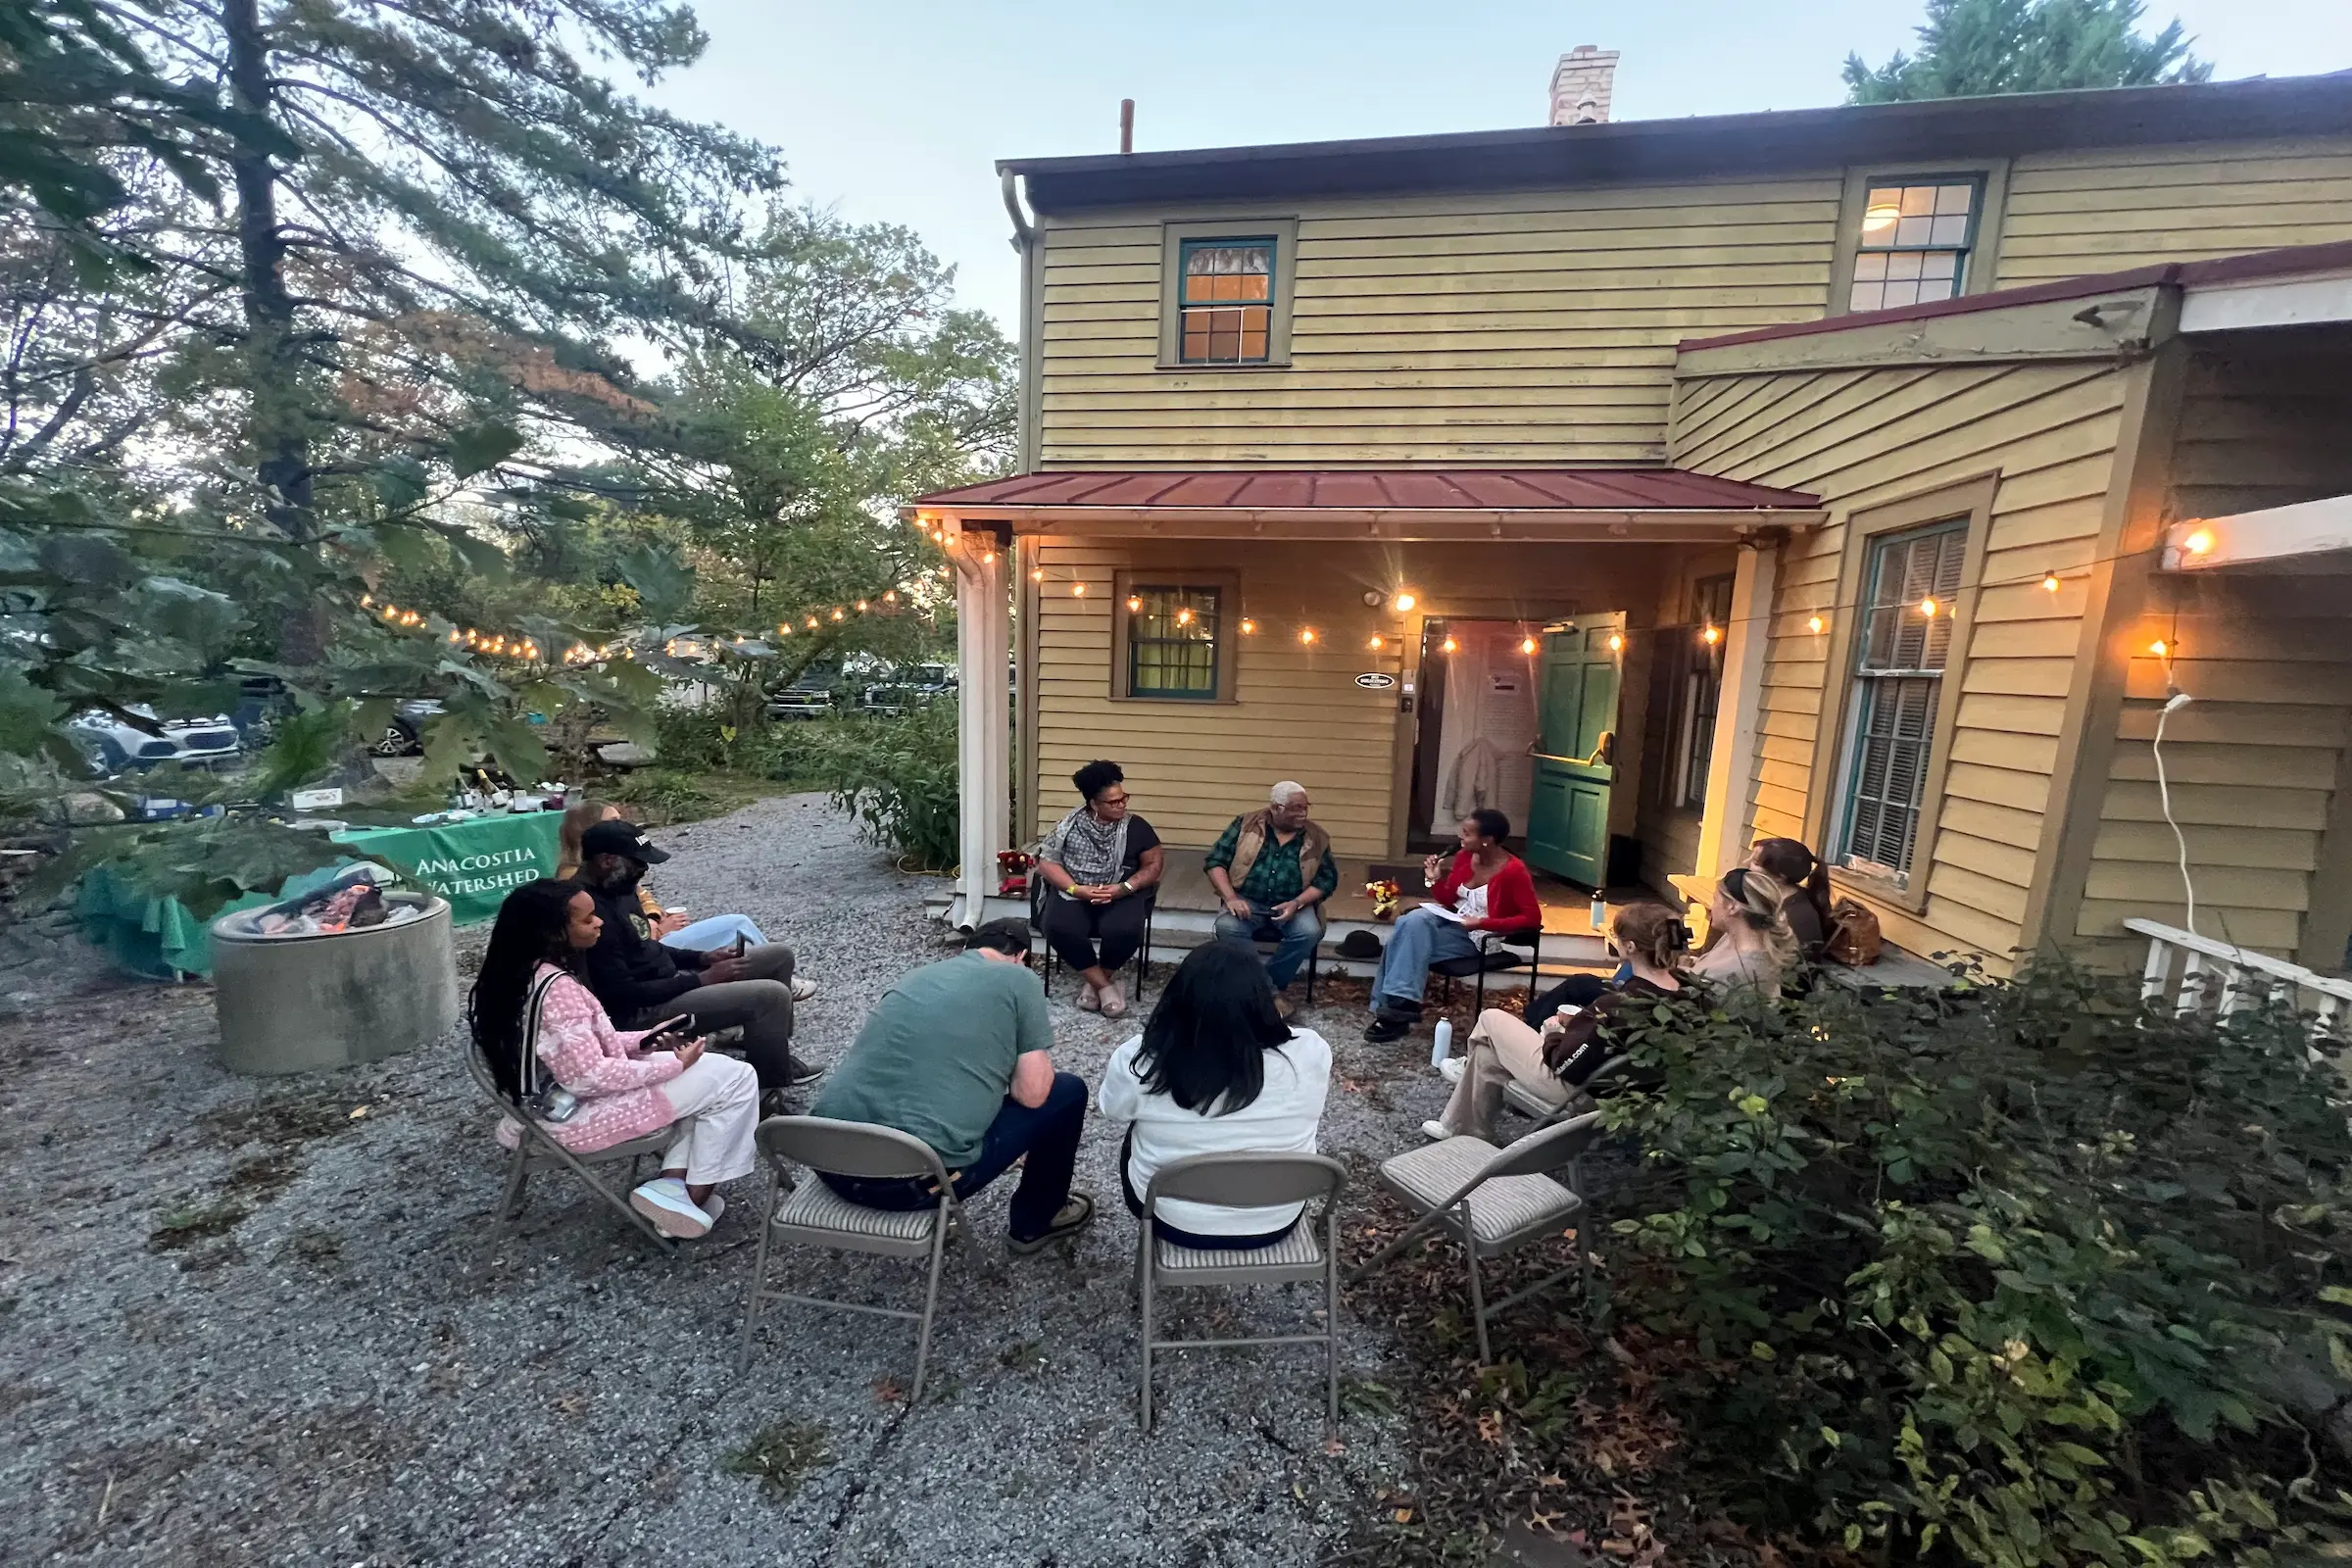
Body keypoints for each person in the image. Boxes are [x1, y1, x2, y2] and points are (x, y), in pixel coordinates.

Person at [471, 878, 761, 1240]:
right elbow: (588, 1077)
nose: (600, 923)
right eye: (587, 919)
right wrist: (672, 1064)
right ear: (553, 933)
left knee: (716, 1078)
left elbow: (578, 1047)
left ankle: (674, 1192)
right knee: (735, 1079)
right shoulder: (557, 989)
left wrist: (646, 1040)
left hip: (542, 1106)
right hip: (570, 1118)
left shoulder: (518, 973)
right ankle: (688, 1195)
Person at [812, 919, 1095, 1254]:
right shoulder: (1019, 977)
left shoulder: (918, 975)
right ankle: (1036, 1221)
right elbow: (1032, 1095)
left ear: (966, 950)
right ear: (1021, 957)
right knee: (1067, 1091)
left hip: (825, 1159)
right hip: (907, 1186)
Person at [1098, 942, 1333, 1250]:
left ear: (1178, 996)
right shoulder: (1311, 1049)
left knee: (1136, 1125)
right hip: (1276, 1217)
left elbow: (1113, 1111)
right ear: (1263, 997)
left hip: (1173, 1220)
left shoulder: (1139, 1060)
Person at [572, 818, 822, 1101]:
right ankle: (766, 1091)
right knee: (771, 996)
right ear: (607, 860)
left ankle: (769, 1048)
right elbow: (622, 995)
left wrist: (702, 957)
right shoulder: (590, 913)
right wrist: (703, 979)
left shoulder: (618, 888)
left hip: (665, 985)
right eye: (638, 863)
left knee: (778, 956)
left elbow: (648, 948)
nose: (644, 870)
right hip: (641, 1013)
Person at [1425, 902, 1689, 1143]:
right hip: (1637, 1093)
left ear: (1630, 947)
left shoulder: (1620, 1004)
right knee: (1487, 1052)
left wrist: (1553, 1034)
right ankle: (1463, 1129)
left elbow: (1566, 1064)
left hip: (1582, 1096)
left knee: (1490, 1019)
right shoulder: (1690, 993)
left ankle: (1466, 1094)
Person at [1363, 808, 1541, 1043]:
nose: (1460, 837)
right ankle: (1397, 1010)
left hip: (1480, 936)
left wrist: (1482, 922)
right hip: (1453, 921)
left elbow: (1532, 919)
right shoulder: (1465, 857)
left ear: (1487, 840)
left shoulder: (1514, 871)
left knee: (1406, 936)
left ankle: (1391, 1012)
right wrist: (1434, 878)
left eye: (1467, 834)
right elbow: (1448, 899)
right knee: (1412, 921)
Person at [558, 799, 774, 956]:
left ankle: (772, 975)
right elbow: (615, 934)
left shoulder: (610, 867)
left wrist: (653, 918)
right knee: (737, 925)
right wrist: (659, 929)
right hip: (646, 952)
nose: (624, 826)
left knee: (731, 936)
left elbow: (642, 897)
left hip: (653, 937)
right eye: (614, 821)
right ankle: (778, 977)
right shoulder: (579, 880)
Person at [1036, 760, 1164, 1019]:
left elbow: (1154, 864)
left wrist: (1125, 887)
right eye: (1113, 801)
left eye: (1123, 798)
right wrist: (1075, 889)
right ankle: (1105, 987)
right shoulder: (1068, 827)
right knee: (1059, 927)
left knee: (1125, 929)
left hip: (1120, 891)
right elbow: (1046, 862)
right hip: (1076, 892)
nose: (1122, 804)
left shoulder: (1136, 826)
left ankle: (1093, 983)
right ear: (1094, 804)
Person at [1205, 781, 1339, 1011]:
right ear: (1276, 808)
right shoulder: (1245, 825)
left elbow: (1326, 880)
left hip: (1293, 903)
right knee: (1227, 926)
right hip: (1248, 900)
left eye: (1306, 807)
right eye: (1296, 808)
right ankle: (1270, 995)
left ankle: (1258, 990)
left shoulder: (1317, 836)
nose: (1303, 813)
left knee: (1308, 932)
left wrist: (1298, 903)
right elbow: (1215, 862)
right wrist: (1231, 898)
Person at [1690, 865, 1800, 993]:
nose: (1712, 906)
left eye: (1715, 900)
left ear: (1732, 907)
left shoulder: (1737, 972)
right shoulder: (1736, 938)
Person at [1748, 837, 1832, 963]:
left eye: (1755, 862)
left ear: (1781, 877)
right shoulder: (1775, 899)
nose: (1745, 863)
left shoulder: (1797, 917)